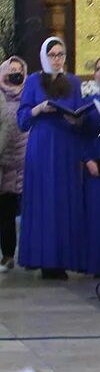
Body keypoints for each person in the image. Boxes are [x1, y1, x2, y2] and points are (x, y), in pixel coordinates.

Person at [17, 38, 88, 279]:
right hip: (42, 145)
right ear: (44, 57)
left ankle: (64, 258)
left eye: (61, 54)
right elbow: (22, 119)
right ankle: (43, 258)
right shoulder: (34, 81)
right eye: (53, 55)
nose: (57, 59)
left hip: (66, 146)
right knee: (43, 199)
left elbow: (80, 116)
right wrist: (39, 109)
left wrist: (75, 119)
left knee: (64, 200)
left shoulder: (73, 82)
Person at [0, 55, 25, 271]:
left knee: (30, 211)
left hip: (27, 160)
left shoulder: (29, 94)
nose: (15, 73)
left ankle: (31, 254)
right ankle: (7, 254)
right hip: (5, 160)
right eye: (11, 69)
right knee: (6, 212)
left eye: (18, 70)